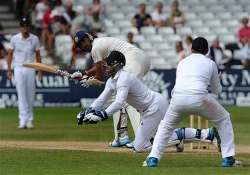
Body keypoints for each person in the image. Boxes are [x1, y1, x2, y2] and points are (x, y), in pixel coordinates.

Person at [77, 51, 221, 152]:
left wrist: (102, 115)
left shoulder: (124, 78)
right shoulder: (112, 81)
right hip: (151, 108)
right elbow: (102, 99)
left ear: (118, 65)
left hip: (154, 107)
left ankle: (179, 138)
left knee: (140, 147)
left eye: (109, 64)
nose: (106, 66)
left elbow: (119, 102)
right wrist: (87, 111)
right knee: (153, 139)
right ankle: (207, 134)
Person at [143, 37, 238, 167]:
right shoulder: (210, 63)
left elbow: (179, 85)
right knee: (224, 118)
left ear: (191, 49)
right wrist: (218, 79)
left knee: (165, 127)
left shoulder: (182, 62)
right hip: (200, 99)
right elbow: (216, 91)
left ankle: (153, 158)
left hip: (178, 98)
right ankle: (228, 158)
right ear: (206, 51)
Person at [72, 31, 151, 147]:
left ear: (89, 37)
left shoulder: (95, 48)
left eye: (84, 41)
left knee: (126, 99)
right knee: (121, 97)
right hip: (140, 59)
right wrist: (84, 73)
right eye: (80, 44)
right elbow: (102, 66)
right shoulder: (100, 46)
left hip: (133, 59)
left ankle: (142, 138)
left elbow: (99, 78)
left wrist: (87, 80)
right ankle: (121, 137)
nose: (83, 45)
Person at [7, 17, 42, 129]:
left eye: (26, 26)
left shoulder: (35, 39)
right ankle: (22, 120)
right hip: (18, 68)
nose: (24, 28)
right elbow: (10, 55)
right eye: (23, 26)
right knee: (21, 95)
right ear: (20, 27)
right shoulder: (14, 39)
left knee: (30, 95)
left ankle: (30, 120)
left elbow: (38, 56)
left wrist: (40, 71)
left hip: (31, 68)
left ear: (29, 27)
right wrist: (9, 70)